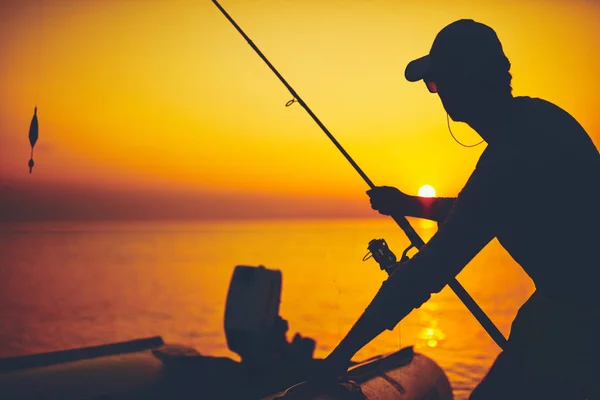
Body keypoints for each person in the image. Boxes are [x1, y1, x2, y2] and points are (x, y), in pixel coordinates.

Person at [312, 19, 600, 399]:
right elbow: (483, 210)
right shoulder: (537, 121)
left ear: (469, 80)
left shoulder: (512, 155)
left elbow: (432, 267)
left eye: (437, 82)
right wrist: (407, 204)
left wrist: (340, 356)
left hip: (578, 319)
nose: (437, 93)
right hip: (558, 307)